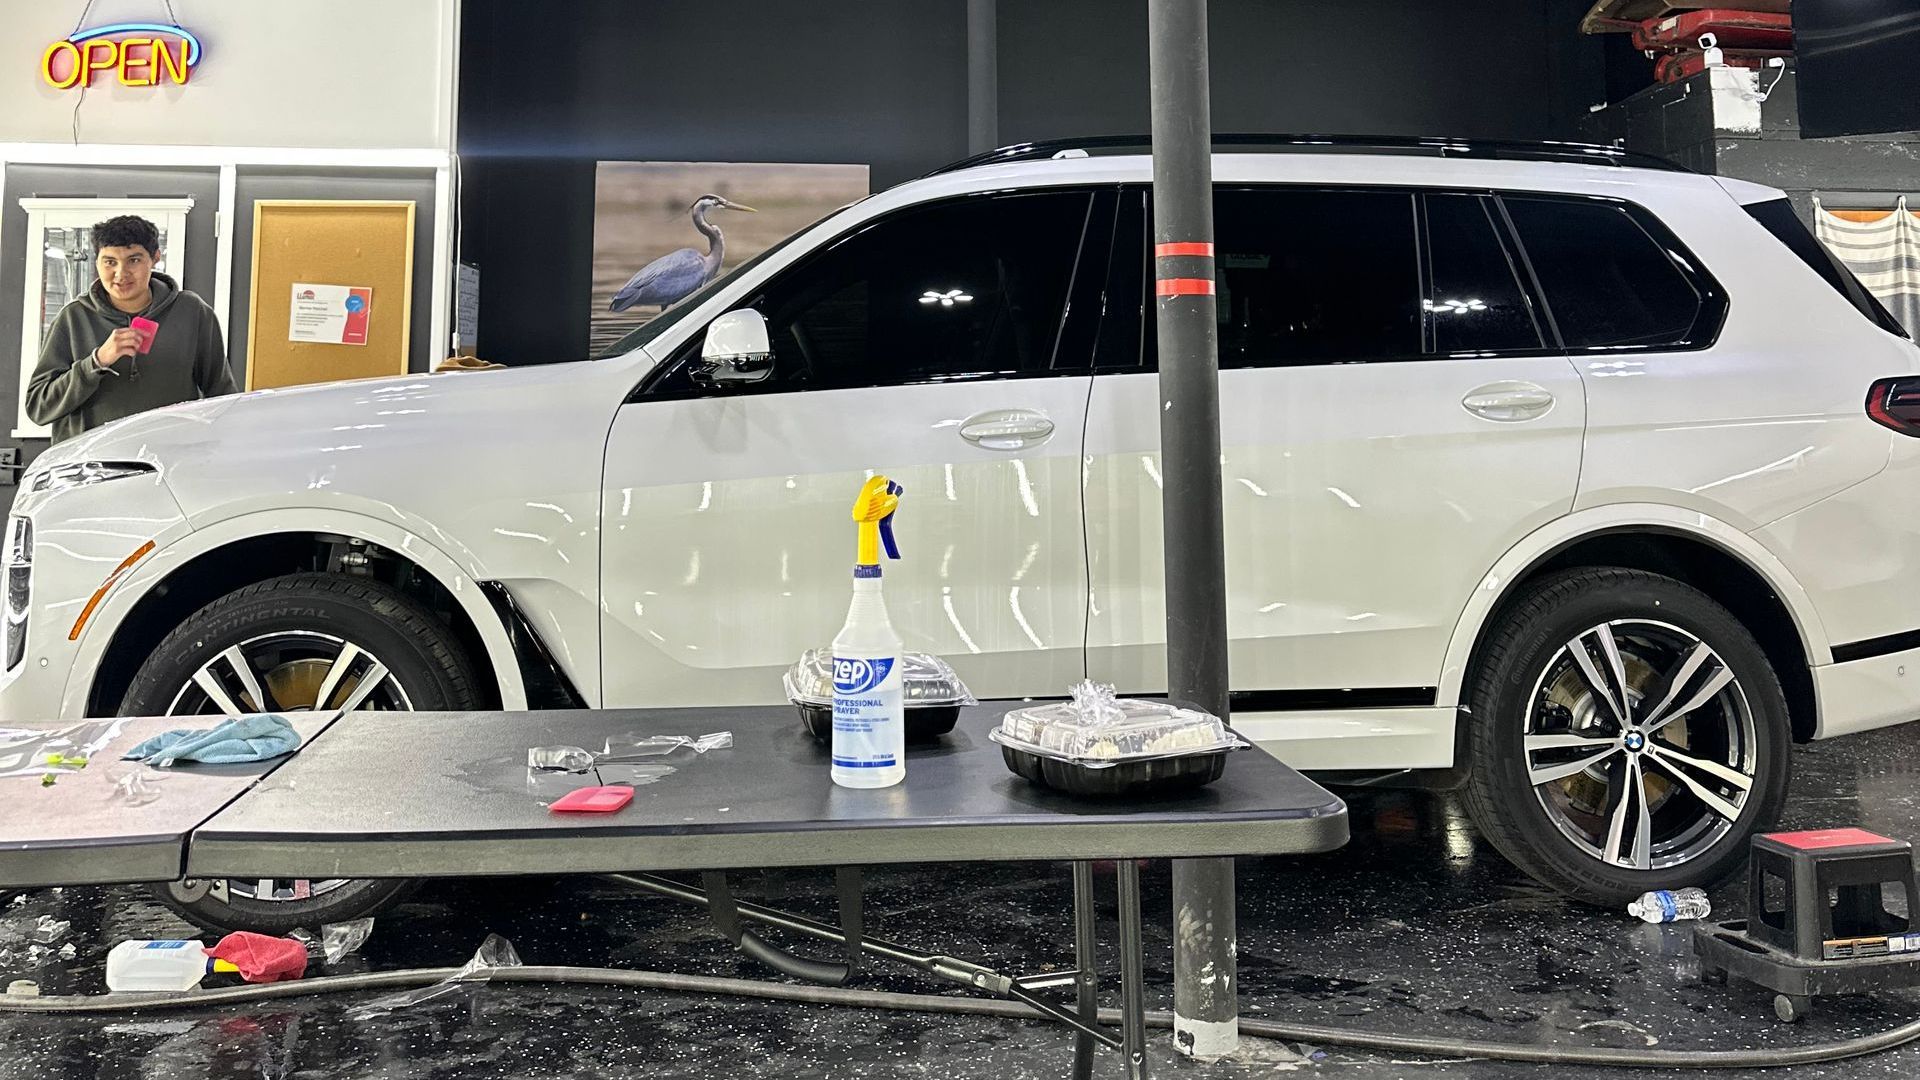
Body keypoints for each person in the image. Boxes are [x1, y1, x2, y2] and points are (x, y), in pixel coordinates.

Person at [27, 214, 237, 444]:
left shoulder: (192, 312)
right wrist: (96, 362)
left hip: (170, 463)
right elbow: (39, 407)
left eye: (134, 260)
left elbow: (222, 397)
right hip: (93, 467)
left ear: (155, 258)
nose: (120, 273)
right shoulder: (73, 318)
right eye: (109, 262)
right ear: (97, 261)